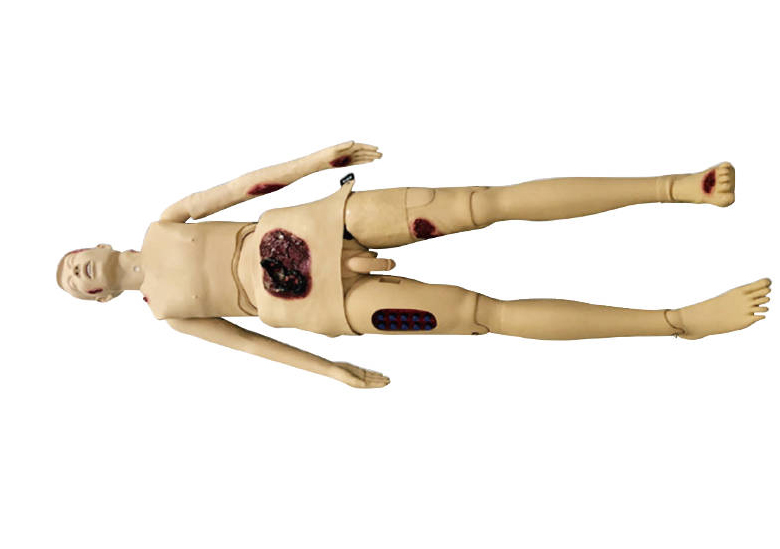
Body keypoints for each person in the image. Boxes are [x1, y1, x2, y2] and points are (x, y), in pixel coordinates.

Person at [57, 141, 771, 388]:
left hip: (326, 220)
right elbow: (250, 346)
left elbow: (242, 189)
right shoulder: (171, 316)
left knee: (485, 202)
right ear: (99, 302)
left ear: (94, 245)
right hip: (332, 310)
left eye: (71, 263)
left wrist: (318, 161)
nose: (77, 274)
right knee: (486, 317)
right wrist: (331, 370)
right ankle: (678, 322)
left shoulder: (163, 223)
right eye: (72, 285)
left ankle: (675, 186)